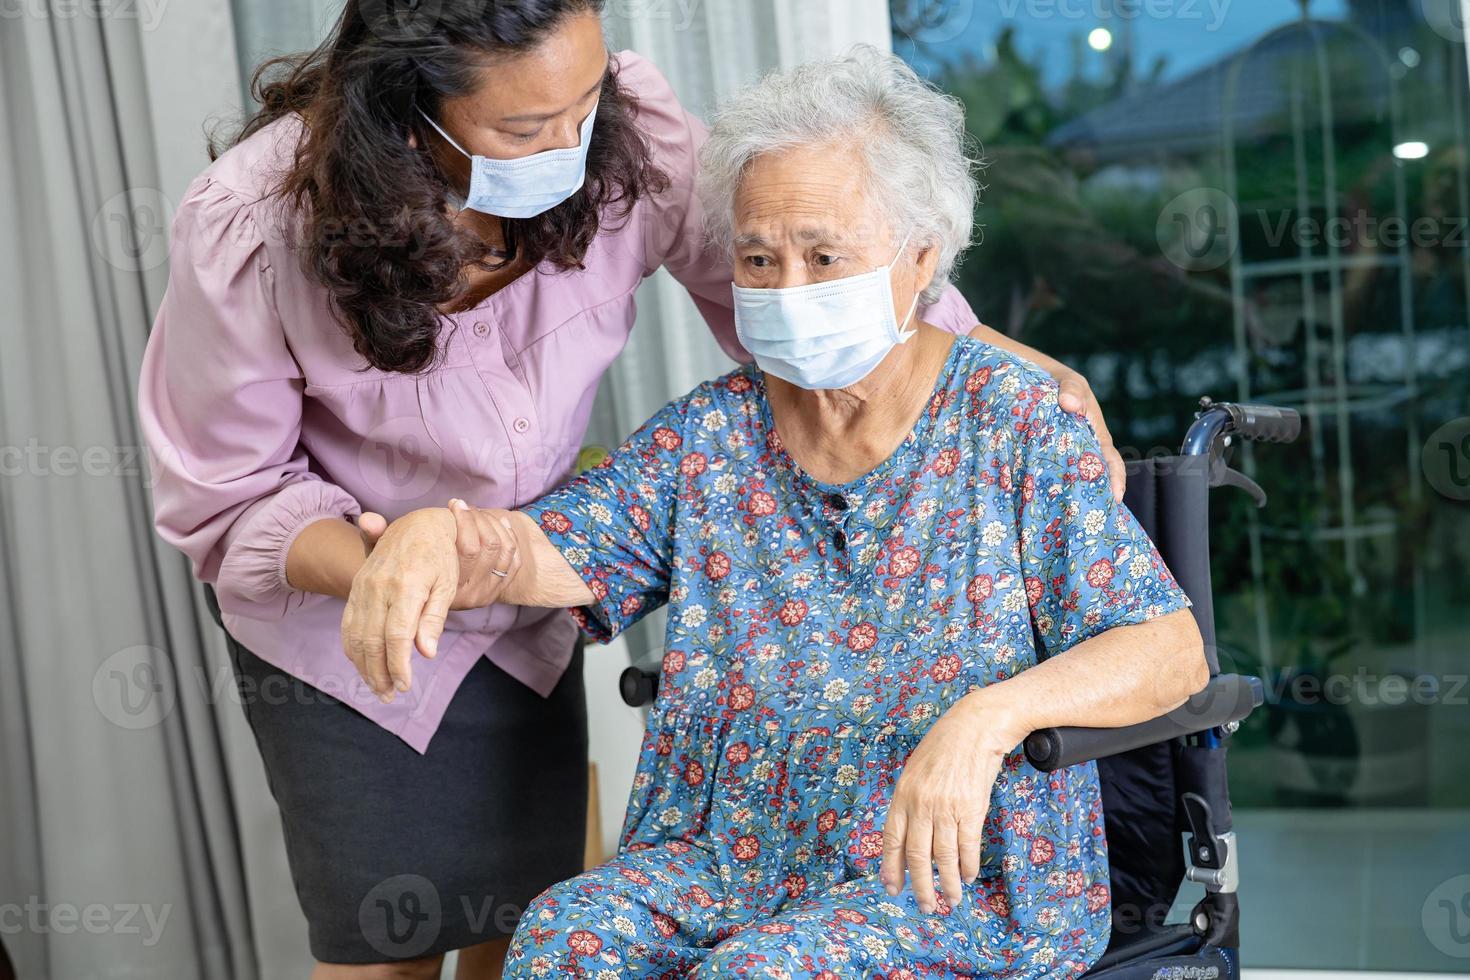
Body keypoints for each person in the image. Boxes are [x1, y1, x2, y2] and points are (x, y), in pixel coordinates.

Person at [344, 46, 1208, 979]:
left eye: (823, 256)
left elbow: (1168, 652)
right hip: (729, 863)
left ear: (921, 259)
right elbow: (545, 551)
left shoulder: (1013, 422)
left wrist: (984, 720)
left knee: (763, 972)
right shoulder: (710, 435)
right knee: (564, 939)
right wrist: (438, 536)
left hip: (957, 883)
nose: (787, 289)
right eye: (759, 259)